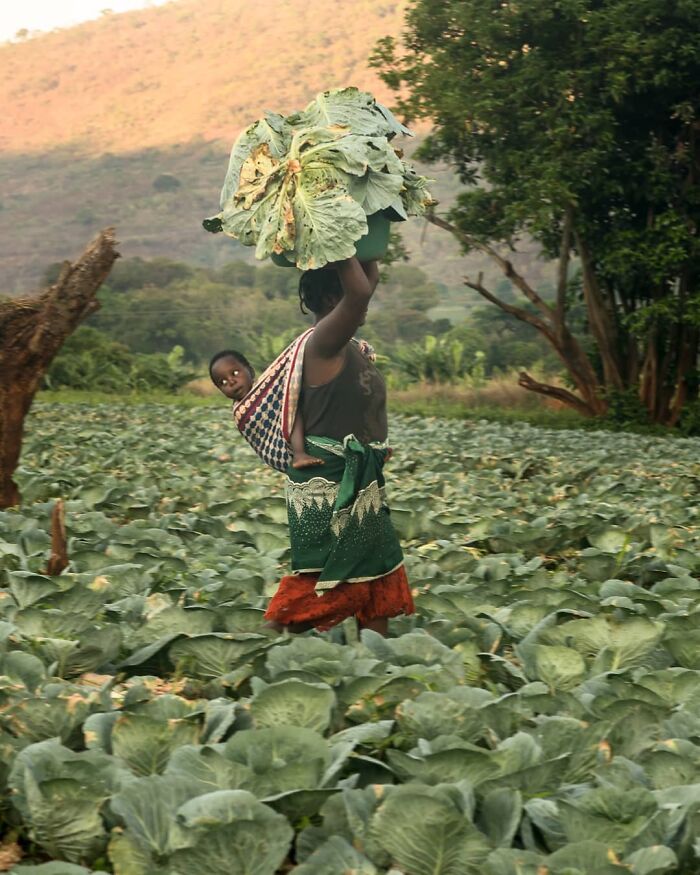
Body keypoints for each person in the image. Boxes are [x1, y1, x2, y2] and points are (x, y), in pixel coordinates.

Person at [263, 256, 414, 636]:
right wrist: (338, 240)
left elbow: (368, 278)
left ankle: (375, 669)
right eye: (351, 297)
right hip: (326, 479)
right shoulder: (322, 342)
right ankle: (280, 644)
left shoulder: (347, 345)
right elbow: (361, 290)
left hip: (360, 475)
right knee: (329, 577)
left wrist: (369, 231)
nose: (364, 304)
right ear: (334, 300)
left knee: (376, 570)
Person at [209, 350, 322, 469]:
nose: (231, 382)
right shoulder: (241, 410)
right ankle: (299, 454)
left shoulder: (267, 387)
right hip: (282, 453)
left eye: (235, 373)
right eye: (223, 382)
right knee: (292, 407)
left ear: (250, 371)